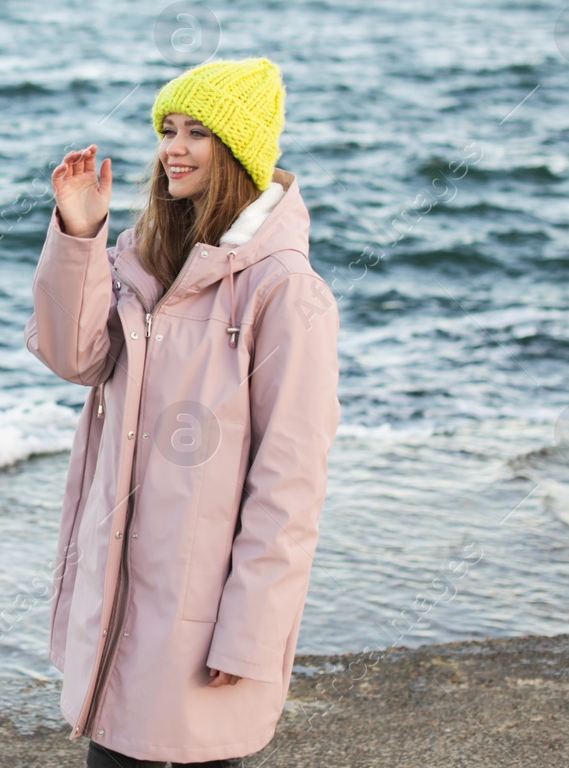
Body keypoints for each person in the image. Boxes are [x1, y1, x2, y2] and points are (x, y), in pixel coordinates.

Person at [25, 57, 341, 766]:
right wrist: (80, 237)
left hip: (206, 614)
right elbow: (72, 356)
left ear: (237, 151)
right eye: (168, 128)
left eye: (197, 131)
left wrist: (251, 630)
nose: (173, 146)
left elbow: (289, 483)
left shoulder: (285, 290)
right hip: (121, 597)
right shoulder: (142, 255)